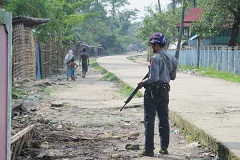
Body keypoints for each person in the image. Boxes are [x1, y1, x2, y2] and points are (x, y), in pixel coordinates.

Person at [138, 32, 178, 157]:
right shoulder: (173, 58)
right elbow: (173, 77)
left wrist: (143, 83)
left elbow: (154, 78)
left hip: (152, 92)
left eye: (152, 45)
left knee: (149, 121)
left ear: (156, 45)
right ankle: (164, 148)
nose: (151, 48)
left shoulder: (155, 58)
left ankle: (149, 150)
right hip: (165, 91)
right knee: (164, 120)